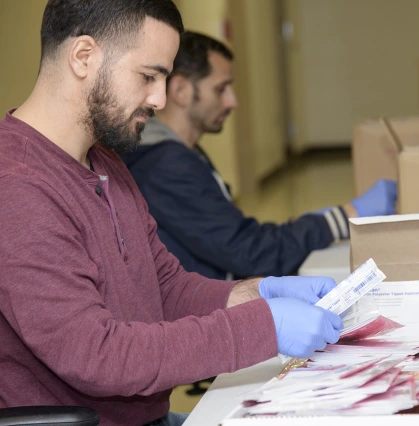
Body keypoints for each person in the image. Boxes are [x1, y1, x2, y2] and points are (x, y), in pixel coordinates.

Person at [0, 2, 343, 425]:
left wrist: (255, 293)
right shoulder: (16, 185)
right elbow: (97, 355)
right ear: (83, 57)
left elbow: (164, 287)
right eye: (148, 76)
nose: (160, 99)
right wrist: (262, 327)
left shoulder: (106, 161)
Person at [121, 31, 397, 282]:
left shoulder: (178, 152)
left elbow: (233, 234)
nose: (232, 101)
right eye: (221, 89)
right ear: (181, 90)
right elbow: (250, 253)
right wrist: (343, 217)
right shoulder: (165, 164)